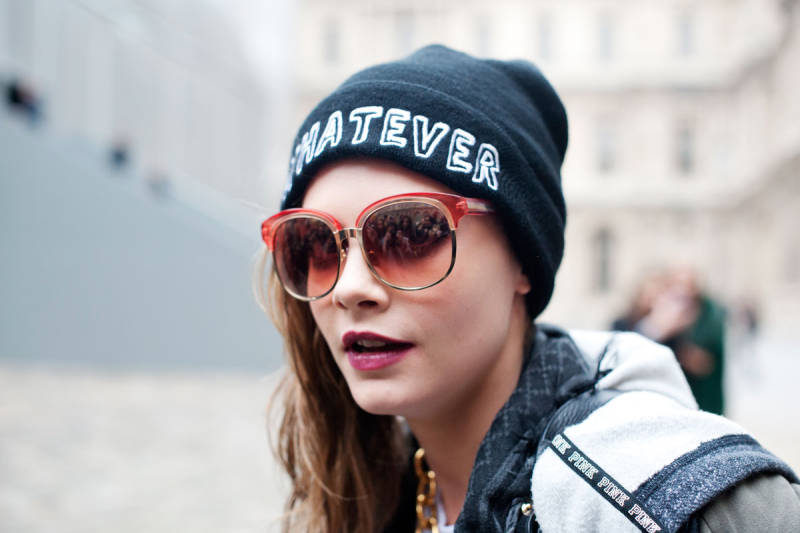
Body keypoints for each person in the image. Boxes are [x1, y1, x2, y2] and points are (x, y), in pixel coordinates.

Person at [254, 45, 800, 533]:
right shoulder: (374, 487)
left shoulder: (666, 497)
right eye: (315, 244)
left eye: (410, 232)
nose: (349, 288)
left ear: (522, 261)